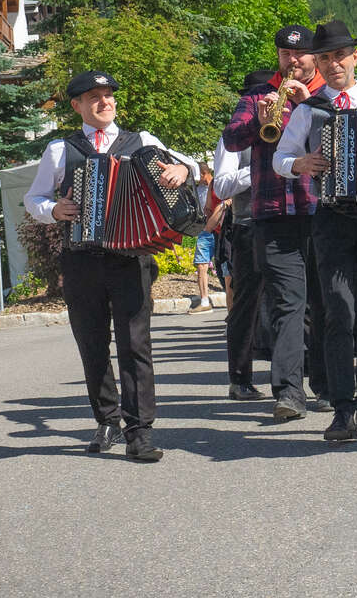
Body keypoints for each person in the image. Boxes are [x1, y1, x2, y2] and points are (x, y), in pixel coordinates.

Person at [24, 70, 199, 462]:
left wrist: (183, 170)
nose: (105, 103)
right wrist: (54, 209)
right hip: (82, 258)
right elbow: (33, 199)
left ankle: (140, 431)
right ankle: (107, 420)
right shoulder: (60, 149)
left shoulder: (142, 142)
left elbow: (193, 168)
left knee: (135, 345)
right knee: (92, 344)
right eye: (95, 98)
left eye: (109, 96)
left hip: (131, 257)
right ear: (78, 106)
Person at [274, 20, 357, 441]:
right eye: (325, 57)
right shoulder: (311, 110)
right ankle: (343, 409)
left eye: (339, 56)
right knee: (337, 314)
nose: (332, 64)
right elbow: (281, 158)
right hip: (331, 219)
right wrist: (300, 164)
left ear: (355, 58)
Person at [222, 27, 329, 421]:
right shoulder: (256, 96)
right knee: (287, 302)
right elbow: (232, 140)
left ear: (314, 57)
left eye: (300, 55)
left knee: (322, 302)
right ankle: (288, 392)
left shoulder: (326, 94)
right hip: (273, 212)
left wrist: (311, 104)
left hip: (322, 210)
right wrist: (258, 122)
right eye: (285, 54)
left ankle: (326, 385)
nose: (293, 61)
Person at [213, 132, 265, 401]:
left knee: (302, 304)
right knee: (246, 305)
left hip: (295, 223)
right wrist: (259, 168)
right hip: (250, 224)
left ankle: (301, 381)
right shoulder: (234, 137)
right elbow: (221, 187)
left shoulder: (298, 123)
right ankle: (240, 378)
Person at [191, 163, 219, 313]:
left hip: (220, 228)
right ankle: (204, 300)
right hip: (204, 230)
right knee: (201, 264)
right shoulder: (198, 189)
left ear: (204, 173)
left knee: (225, 269)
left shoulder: (218, 184)